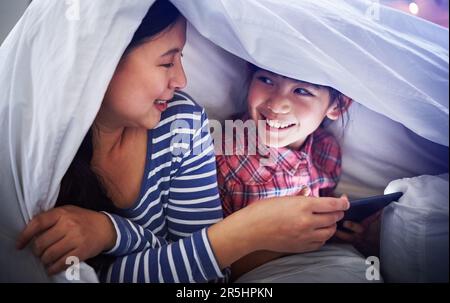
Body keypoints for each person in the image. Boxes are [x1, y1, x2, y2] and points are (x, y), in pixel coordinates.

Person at [16, 0, 350, 283]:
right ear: (102, 62)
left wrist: (110, 232)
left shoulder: (182, 122)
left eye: (181, 59)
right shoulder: (35, 156)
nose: (182, 79)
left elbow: (202, 276)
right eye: (166, 62)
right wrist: (248, 231)